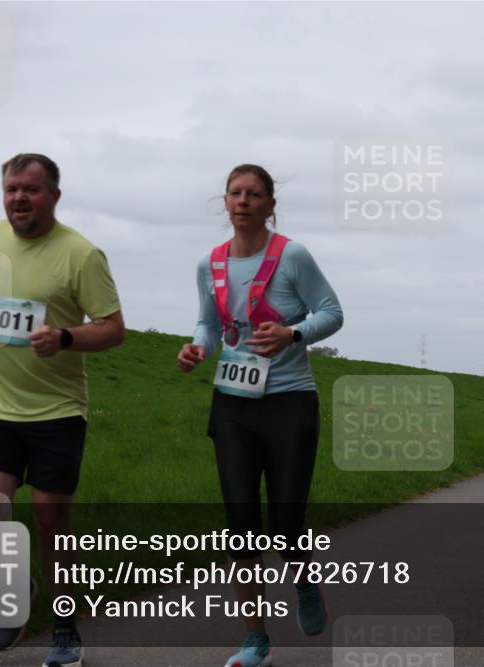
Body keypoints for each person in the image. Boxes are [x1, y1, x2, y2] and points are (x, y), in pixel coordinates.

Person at [0, 153, 126, 667]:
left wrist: (66, 336)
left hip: (57, 411)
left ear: (53, 195)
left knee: (53, 528)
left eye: (30, 189)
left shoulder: (81, 254)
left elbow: (114, 328)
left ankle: (66, 629)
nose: (18, 198)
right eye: (10, 189)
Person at [177, 164, 343, 667]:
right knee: (241, 521)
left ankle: (304, 578)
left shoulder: (292, 256)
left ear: (271, 205)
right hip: (233, 403)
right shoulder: (210, 264)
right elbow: (209, 324)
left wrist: (292, 334)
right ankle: (256, 638)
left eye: (254, 194)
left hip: (291, 400)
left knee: (286, 523)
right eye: (235, 193)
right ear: (224, 202)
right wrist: (197, 348)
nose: (243, 201)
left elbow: (332, 312)